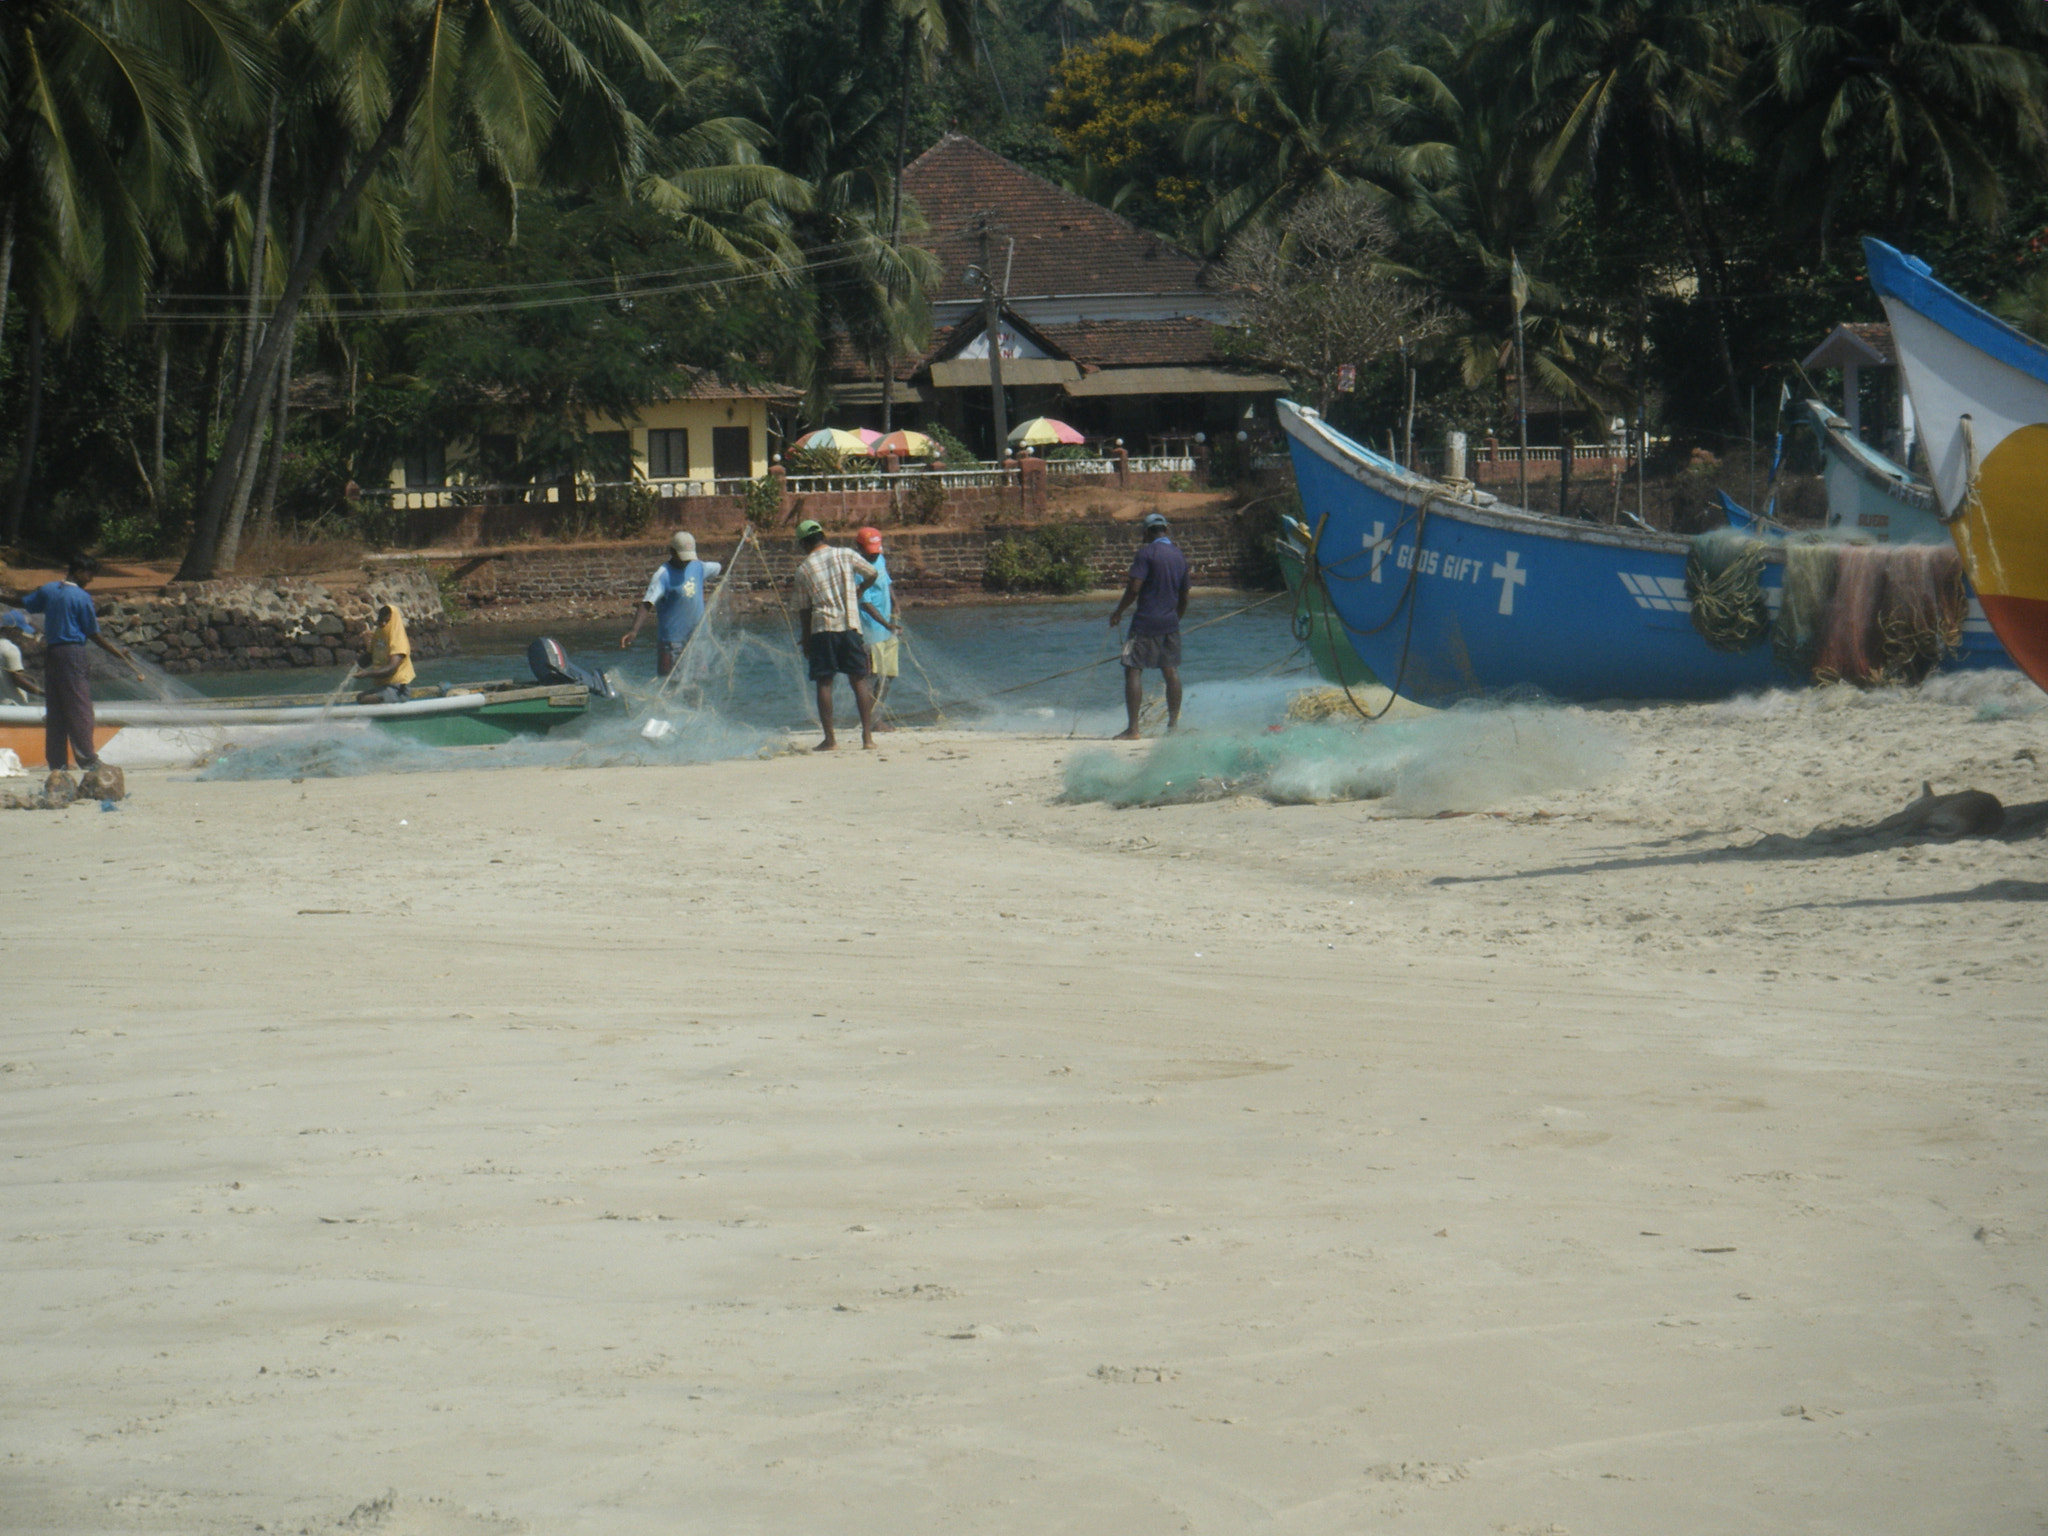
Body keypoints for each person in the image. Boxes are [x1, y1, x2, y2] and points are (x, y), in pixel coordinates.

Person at [8, 556, 144, 773]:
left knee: (57, 709)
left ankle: (57, 763)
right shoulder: (81, 597)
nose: (90, 580)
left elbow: (22, 602)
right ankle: (88, 759)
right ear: (79, 571)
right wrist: (117, 652)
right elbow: (93, 634)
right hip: (72, 654)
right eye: (90, 575)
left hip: (52, 653)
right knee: (80, 708)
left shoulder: (49, 590)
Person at [791, 518, 879, 751]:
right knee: (859, 680)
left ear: (803, 544)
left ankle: (830, 740)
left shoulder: (803, 570)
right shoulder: (846, 554)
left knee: (824, 683)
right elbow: (872, 573)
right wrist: (859, 590)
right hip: (850, 625)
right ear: (823, 536)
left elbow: (804, 610)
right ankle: (867, 738)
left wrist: (806, 639)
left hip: (823, 629)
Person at [1106, 511, 1190, 739]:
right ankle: (1173, 727)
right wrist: (1175, 619)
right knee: (1170, 671)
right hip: (1170, 622)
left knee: (1132, 669)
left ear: (1146, 532)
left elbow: (1134, 588)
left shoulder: (1146, 553)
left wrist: (1118, 612)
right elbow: (1184, 596)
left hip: (1145, 622)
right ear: (1166, 530)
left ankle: (1133, 729)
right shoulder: (1179, 555)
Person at [621, 530, 724, 676]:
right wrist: (634, 631)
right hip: (672, 643)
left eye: (688, 558)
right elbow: (647, 603)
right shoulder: (663, 575)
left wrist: (742, 544)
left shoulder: (698, 567)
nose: (686, 561)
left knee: (695, 684)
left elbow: (722, 567)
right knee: (671, 685)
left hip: (696, 639)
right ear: (672, 552)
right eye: (682, 558)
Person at [853, 526, 902, 711]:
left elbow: (886, 582)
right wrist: (886, 624)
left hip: (887, 629)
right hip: (871, 630)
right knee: (872, 674)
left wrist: (895, 603)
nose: (873, 556)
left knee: (889, 675)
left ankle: (876, 716)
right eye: (869, 552)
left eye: (875, 552)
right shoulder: (859, 570)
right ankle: (869, 719)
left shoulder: (880, 558)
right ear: (859, 547)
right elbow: (865, 603)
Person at [355, 602, 416, 703]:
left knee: (364, 699)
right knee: (360, 697)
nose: (383, 624)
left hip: (398, 689)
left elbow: (392, 668)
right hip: (383, 686)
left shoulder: (398, 639)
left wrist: (367, 674)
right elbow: (369, 656)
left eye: (386, 621)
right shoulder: (379, 634)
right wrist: (355, 667)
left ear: (393, 621)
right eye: (380, 620)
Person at [0, 610, 43, 705]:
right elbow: (18, 679)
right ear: (10, 630)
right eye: (20, 630)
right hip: (12, 706)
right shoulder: (10, 649)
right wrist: (43, 693)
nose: (21, 634)